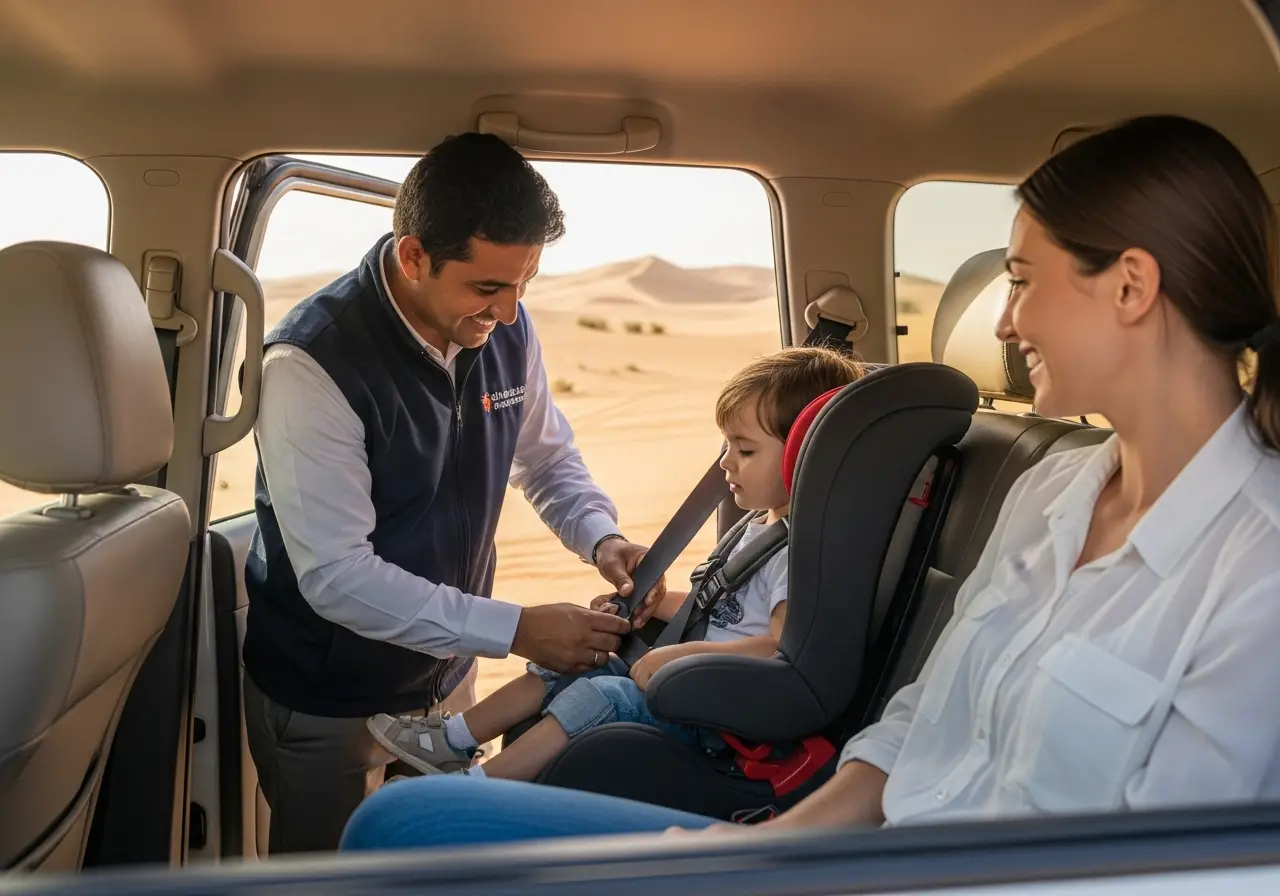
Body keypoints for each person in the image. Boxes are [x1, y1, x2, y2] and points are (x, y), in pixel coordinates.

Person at [337, 114, 1280, 852]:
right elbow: (914, 728)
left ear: (1130, 287)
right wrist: (772, 851)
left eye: (1024, 281)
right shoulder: (1055, 492)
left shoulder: (1258, 571)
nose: (1004, 322)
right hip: (853, 852)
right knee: (397, 822)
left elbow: (1170, 866)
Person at [240, 132, 664, 853]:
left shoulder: (505, 327)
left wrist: (603, 538)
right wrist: (517, 630)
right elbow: (337, 576)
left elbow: (546, 459)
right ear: (413, 257)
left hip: (450, 686)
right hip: (332, 698)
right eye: (488, 288)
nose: (509, 312)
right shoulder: (312, 362)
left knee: (438, 867)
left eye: (525, 283)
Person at [363, 346, 866, 782]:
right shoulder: (757, 526)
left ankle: (477, 788)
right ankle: (452, 738)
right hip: (692, 682)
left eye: (746, 450)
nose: (725, 462)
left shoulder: (799, 552)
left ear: (808, 454)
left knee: (602, 696)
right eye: (727, 445)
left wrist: (684, 658)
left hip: (721, 709)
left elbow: (782, 646)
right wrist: (650, 604)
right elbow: (722, 607)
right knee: (577, 655)